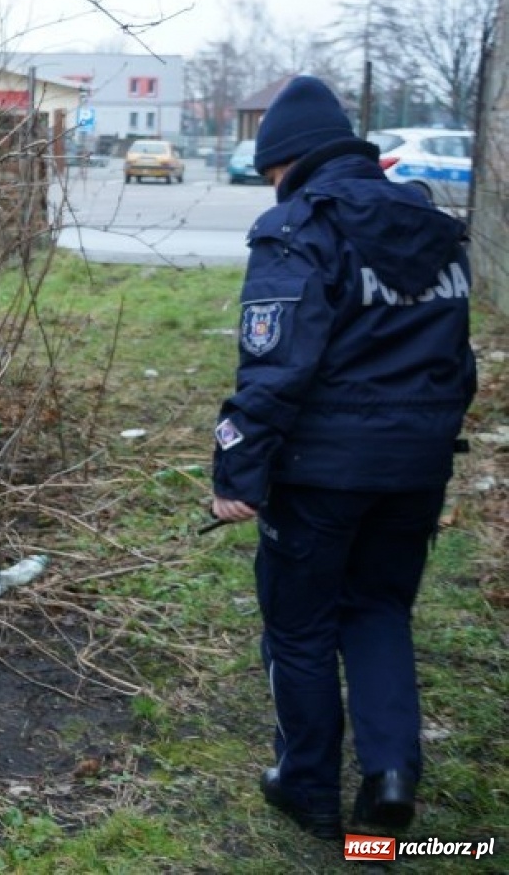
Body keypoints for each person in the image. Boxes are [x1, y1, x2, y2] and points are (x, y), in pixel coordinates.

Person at [209, 76, 476, 841]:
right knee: (380, 610)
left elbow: (274, 368)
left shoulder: (299, 228)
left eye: (270, 175)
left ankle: (308, 787)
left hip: (322, 472)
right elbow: (460, 362)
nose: (271, 187)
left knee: (298, 630)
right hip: (418, 466)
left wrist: (237, 471)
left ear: (286, 163)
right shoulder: (429, 225)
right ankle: (390, 782)